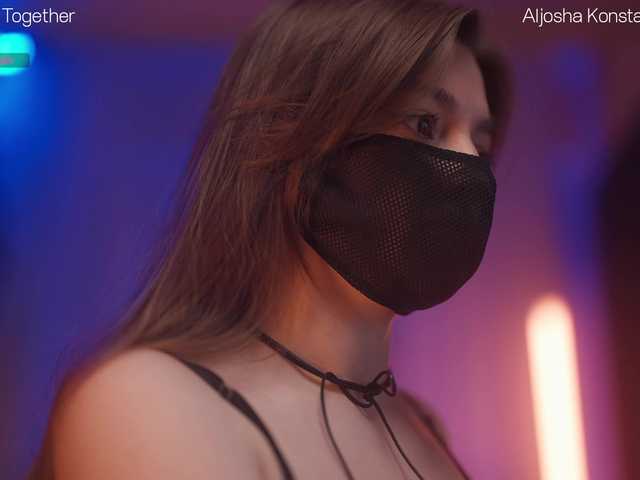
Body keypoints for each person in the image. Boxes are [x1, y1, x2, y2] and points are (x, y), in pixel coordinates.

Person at [27, 0, 512, 478]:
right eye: (425, 124)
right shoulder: (148, 403)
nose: (469, 166)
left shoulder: (422, 428)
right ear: (296, 146)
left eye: (482, 144)